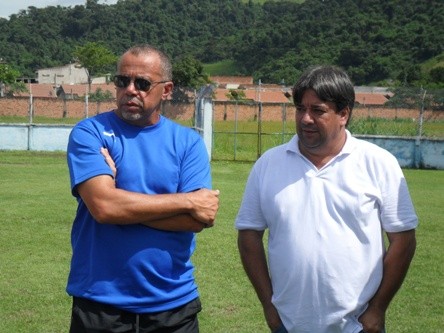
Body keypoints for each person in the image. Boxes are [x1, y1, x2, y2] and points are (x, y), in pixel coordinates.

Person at [235, 65, 417, 333]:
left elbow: (403, 239)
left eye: (317, 110)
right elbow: (249, 235)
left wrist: (377, 309)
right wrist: (269, 306)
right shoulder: (268, 164)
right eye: (300, 108)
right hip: (288, 324)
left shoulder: (378, 163)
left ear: (343, 114)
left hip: (357, 326)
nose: (305, 118)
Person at [66, 44, 220, 333]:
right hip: (100, 304)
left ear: (167, 89)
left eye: (143, 83)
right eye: (122, 81)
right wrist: (187, 201)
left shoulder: (188, 143)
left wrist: (117, 199)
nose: (130, 89)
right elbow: (104, 207)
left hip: (173, 307)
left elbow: (199, 219)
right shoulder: (91, 133)